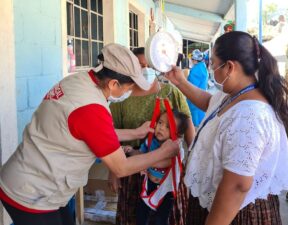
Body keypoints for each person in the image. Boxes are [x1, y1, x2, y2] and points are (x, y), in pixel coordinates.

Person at [0, 43, 180, 225]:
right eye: (128, 87)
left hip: (30, 177)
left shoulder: (79, 81)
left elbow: (87, 132)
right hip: (31, 193)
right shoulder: (91, 109)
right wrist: (164, 152)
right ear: (113, 83)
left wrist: (135, 132)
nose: (130, 92)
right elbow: (121, 167)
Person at [165, 31, 288, 225]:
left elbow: (237, 185)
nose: (211, 69)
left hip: (235, 213)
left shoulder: (250, 116)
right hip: (222, 206)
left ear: (229, 67)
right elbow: (211, 103)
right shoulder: (236, 94)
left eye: (213, 63)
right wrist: (180, 82)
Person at [109, 47, 195, 225]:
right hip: (132, 168)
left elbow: (188, 128)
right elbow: (112, 135)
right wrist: (113, 171)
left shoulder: (171, 93)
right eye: (139, 65)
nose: (145, 69)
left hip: (168, 171)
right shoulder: (120, 100)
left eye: (148, 64)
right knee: (136, 217)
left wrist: (192, 163)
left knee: (166, 217)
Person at [123, 109, 189, 225]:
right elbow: (140, 154)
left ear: (178, 133)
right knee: (141, 214)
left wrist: (142, 161)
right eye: (160, 123)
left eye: (168, 127)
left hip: (166, 189)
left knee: (161, 219)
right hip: (150, 184)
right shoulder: (150, 143)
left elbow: (164, 163)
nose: (161, 128)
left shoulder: (175, 148)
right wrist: (132, 151)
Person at [187, 49, 209, 127]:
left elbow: (190, 86)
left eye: (192, 59)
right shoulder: (203, 67)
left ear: (195, 60)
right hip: (202, 95)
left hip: (194, 97)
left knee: (194, 115)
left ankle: (195, 129)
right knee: (200, 115)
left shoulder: (195, 70)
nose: (191, 61)